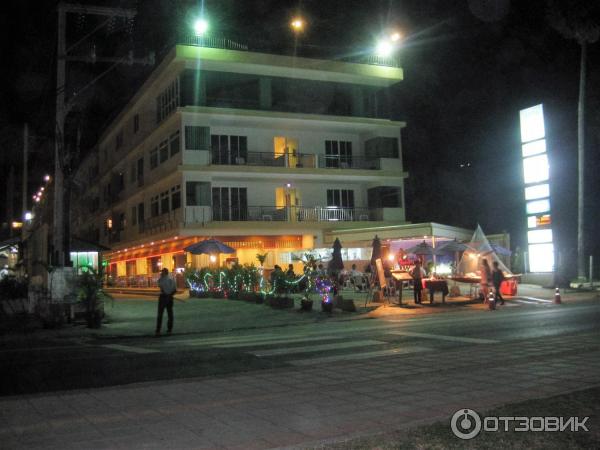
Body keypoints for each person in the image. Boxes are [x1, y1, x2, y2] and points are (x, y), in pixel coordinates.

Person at [156, 268, 176, 336]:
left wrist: (166, 293)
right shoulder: (172, 280)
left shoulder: (161, 279)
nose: (161, 273)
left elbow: (160, 285)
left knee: (160, 314)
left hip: (163, 297)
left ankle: (158, 330)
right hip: (170, 298)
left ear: (164, 273)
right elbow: (175, 290)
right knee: (170, 314)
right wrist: (170, 294)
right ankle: (169, 330)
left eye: (162, 272)